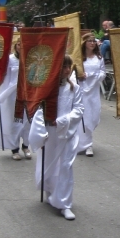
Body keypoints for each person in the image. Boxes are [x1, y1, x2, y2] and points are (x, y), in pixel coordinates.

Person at [33, 55, 84, 220]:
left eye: (69, 66)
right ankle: (50, 191)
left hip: (67, 132)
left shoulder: (74, 88)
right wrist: (41, 130)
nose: (67, 70)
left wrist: (62, 121)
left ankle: (64, 203)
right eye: (64, 66)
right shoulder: (47, 89)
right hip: (50, 133)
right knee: (49, 163)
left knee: (66, 166)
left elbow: (79, 109)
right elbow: (38, 110)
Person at [0, 41, 31, 160]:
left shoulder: (31, 58)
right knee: (13, 122)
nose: (21, 46)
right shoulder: (10, 59)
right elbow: (2, 75)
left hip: (28, 94)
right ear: (15, 46)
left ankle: (26, 146)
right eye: (19, 44)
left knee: (28, 122)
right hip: (12, 95)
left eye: (23, 44)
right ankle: (14, 149)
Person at [76, 33, 106, 157]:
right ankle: (87, 145)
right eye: (89, 41)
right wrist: (80, 76)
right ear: (84, 43)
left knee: (94, 116)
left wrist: (95, 76)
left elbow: (103, 72)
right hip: (82, 90)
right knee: (84, 117)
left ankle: (86, 141)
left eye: (94, 41)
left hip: (93, 90)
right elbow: (74, 73)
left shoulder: (99, 58)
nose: (92, 43)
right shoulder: (79, 59)